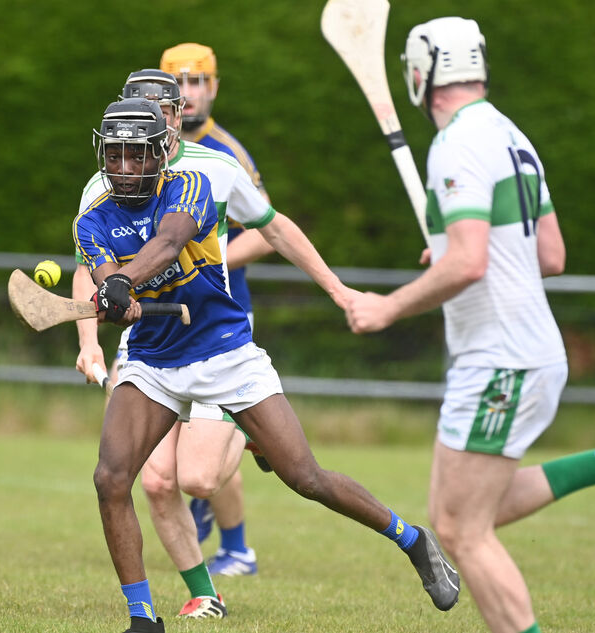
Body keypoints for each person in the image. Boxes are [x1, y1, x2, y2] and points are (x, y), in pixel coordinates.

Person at [345, 17, 595, 633]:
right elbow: (550, 253)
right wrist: (458, 248)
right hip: (522, 351)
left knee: (462, 529)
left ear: (421, 72)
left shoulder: (455, 143)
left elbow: (470, 262)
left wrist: (390, 305)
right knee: (459, 512)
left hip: (500, 358)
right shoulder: (511, 134)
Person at [74, 97, 460, 633]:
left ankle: (411, 540)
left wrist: (122, 282)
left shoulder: (190, 186)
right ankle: (143, 620)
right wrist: (116, 299)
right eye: (115, 155)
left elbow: (168, 243)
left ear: (160, 153)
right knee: (110, 478)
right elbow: (104, 276)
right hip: (153, 361)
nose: (123, 167)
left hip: (224, 351)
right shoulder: (92, 219)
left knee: (306, 478)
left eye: (136, 155)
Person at [74, 69, 261, 619]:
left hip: (214, 337)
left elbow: (270, 228)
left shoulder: (211, 167)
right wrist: (91, 338)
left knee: (199, 478)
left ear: (174, 118)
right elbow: (92, 270)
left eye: (165, 110)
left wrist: (338, 290)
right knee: (154, 480)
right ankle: (205, 594)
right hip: (151, 346)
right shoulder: (101, 187)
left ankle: (254, 427)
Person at [159, 42, 273, 576]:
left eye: (198, 81)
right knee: (182, 455)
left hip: (225, 317)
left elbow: (266, 234)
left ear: (214, 87)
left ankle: (236, 547)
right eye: (178, 83)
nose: (188, 93)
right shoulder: (147, 150)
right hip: (170, 321)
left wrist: (207, 254)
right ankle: (235, 549)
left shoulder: (227, 152)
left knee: (205, 450)